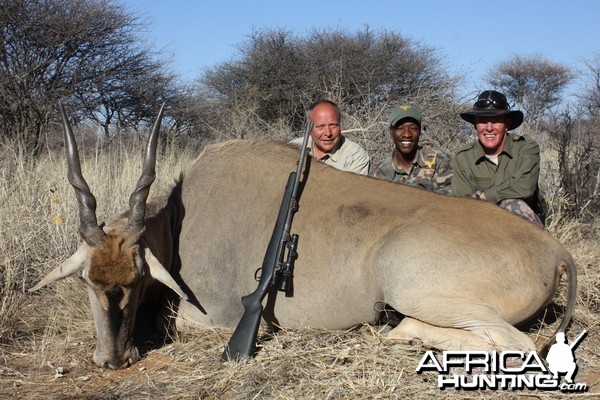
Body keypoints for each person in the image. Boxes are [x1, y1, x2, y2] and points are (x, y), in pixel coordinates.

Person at [452, 90, 546, 226]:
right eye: (483, 121)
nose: (489, 128)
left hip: (523, 228)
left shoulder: (526, 148)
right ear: (475, 125)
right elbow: (462, 203)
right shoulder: (464, 156)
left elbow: (524, 188)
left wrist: (485, 196)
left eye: (496, 121)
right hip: (481, 224)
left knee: (512, 205)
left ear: (507, 124)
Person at [370, 105, 453, 194]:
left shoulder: (439, 161)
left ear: (420, 131)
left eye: (413, 128)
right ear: (391, 131)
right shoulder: (378, 173)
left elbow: (449, 201)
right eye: (400, 128)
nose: (407, 134)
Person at [291, 100, 370, 175]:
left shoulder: (356, 157)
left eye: (333, 125)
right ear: (309, 128)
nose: (328, 133)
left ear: (340, 126)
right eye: (320, 127)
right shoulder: (293, 148)